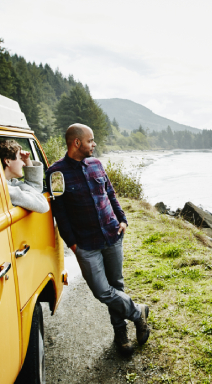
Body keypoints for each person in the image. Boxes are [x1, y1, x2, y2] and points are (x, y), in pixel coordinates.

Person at [47, 123, 149, 354]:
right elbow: (59, 213)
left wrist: (122, 220)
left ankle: (120, 336)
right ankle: (138, 312)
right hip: (86, 244)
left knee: (117, 286)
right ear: (77, 143)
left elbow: (110, 193)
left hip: (112, 235)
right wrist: (72, 243)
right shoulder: (56, 173)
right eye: (91, 140)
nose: (94, 144)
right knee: (102, 291)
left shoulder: (96, 164)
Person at [0, 139, 49, 213]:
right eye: (21, 159)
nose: (23, 164)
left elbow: (35, 189)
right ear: (8, 161)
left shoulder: (11, 183)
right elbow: (43, 205)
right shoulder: (7, 190)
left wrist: (27, 160)